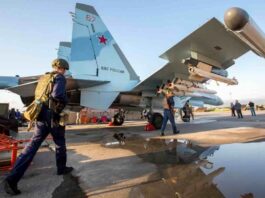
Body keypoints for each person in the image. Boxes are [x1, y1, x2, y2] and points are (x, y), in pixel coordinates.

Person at [3, 58, 73, 195]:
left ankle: (11, 179)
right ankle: (61, 168)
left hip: (40, 114)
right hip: (52, 115)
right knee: (60, 143)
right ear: (62, 68)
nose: (64, 72)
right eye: (64, 69)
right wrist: (66, 100)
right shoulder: (59, 78)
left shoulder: (44, 77)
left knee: (32, 146)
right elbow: (57, 94)